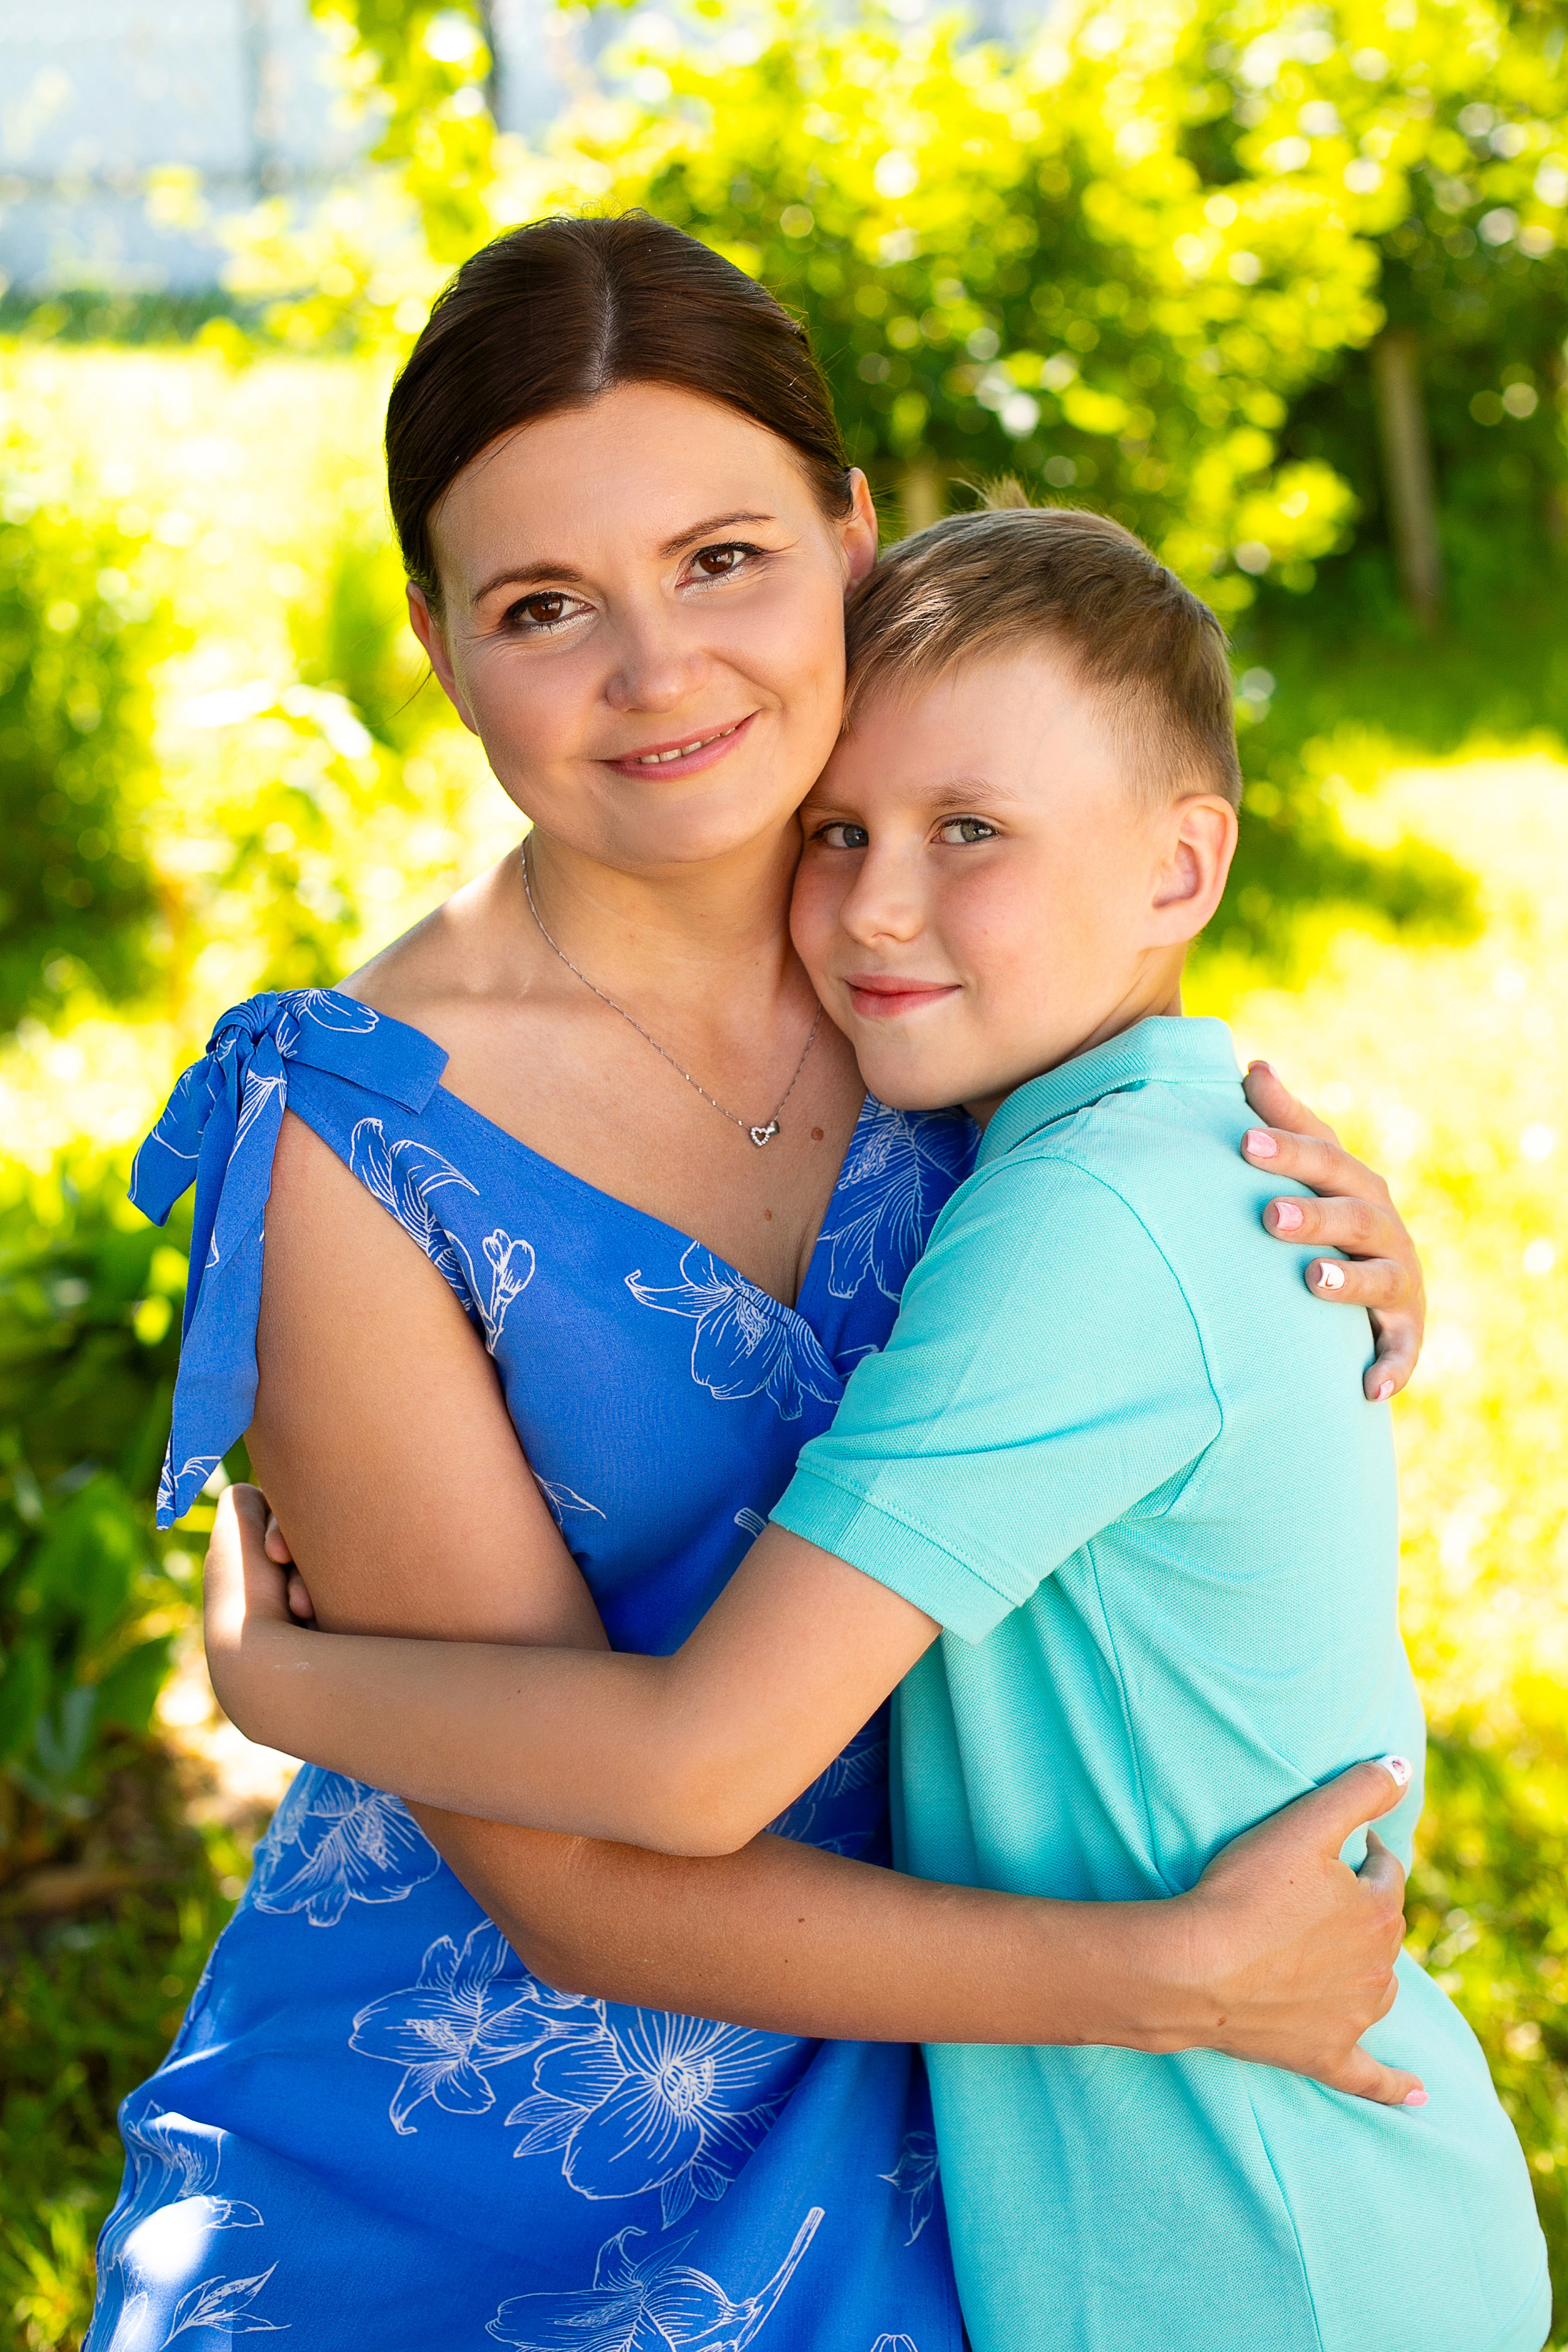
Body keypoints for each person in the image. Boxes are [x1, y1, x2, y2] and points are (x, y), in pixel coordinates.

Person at [98, 216, 1429, 2351]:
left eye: (725, 559)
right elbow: (570, 1887)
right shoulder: (355, 1138)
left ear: (849, 536)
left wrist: (1343, 1262)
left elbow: (1154, 1280)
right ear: (438, 647)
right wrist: (1167, 1978)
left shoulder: (959, 953)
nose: (661, 671)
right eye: (546, 607)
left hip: (996, 2123)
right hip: (498, 2136)